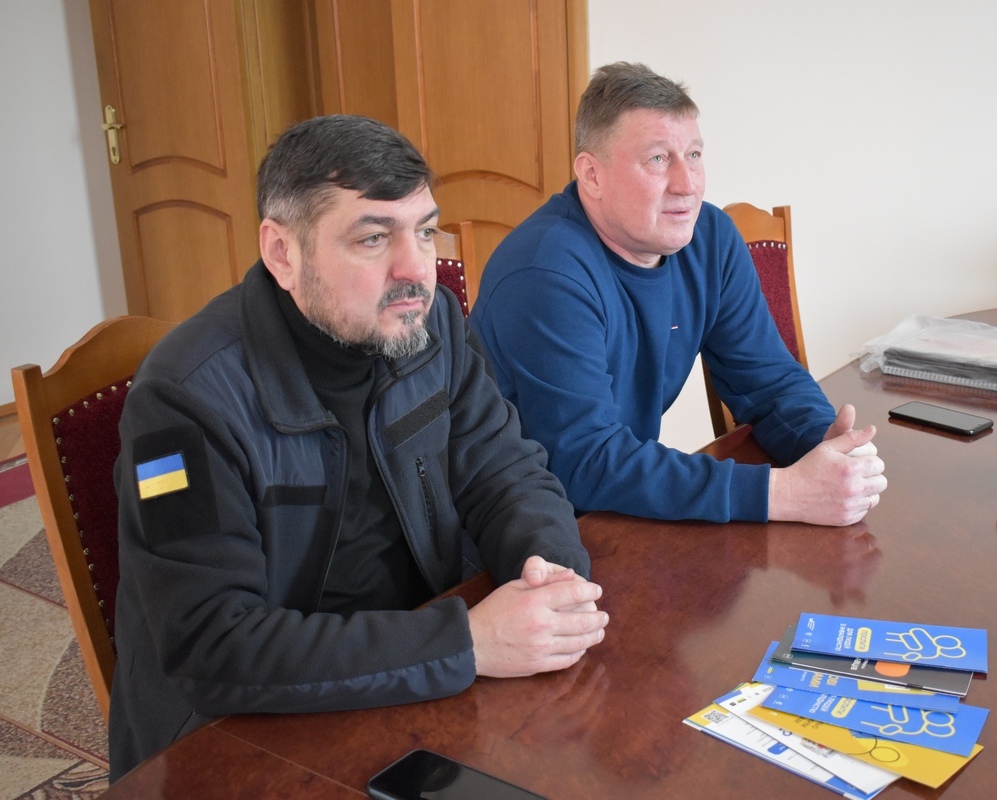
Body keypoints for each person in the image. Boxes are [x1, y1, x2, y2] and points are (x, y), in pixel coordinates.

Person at [108, 115, 608, 780]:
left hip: (415, 675)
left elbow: (507, 471)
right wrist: (467, 641)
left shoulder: (431, 325)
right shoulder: (180, 403)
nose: (416, 270)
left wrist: (551, 575)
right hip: (246, 732)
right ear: (282, 253)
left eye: (424, 232)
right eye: (373, 239)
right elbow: (213, 644)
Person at [469, 62, 887, 527]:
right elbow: (583, 460)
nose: (687, 185)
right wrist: (784, 493)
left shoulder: (710, 238)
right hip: (523, 532)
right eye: (657, 159)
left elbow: (769, 381)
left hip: (618, 512)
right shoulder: (545, 270)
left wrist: (825, 445)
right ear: (591, 175)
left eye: (693, 155)